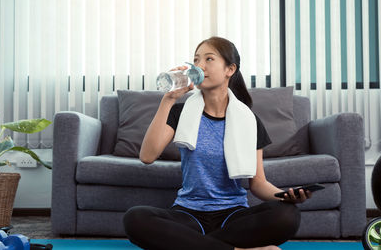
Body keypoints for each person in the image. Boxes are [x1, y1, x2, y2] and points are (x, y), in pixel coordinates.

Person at [123, 37, 311, 250]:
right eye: (196, 60)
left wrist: (286, 196)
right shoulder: (180, 112)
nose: (200, 65)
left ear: (230, 69)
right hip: (188, 214)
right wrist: (168, 99)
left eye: (209, 59)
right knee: (135, 219)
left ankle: (192, 246)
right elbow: (147, 156)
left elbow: (257, 183)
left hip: (232, 216)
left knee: (287, 215)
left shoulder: (249, 121)